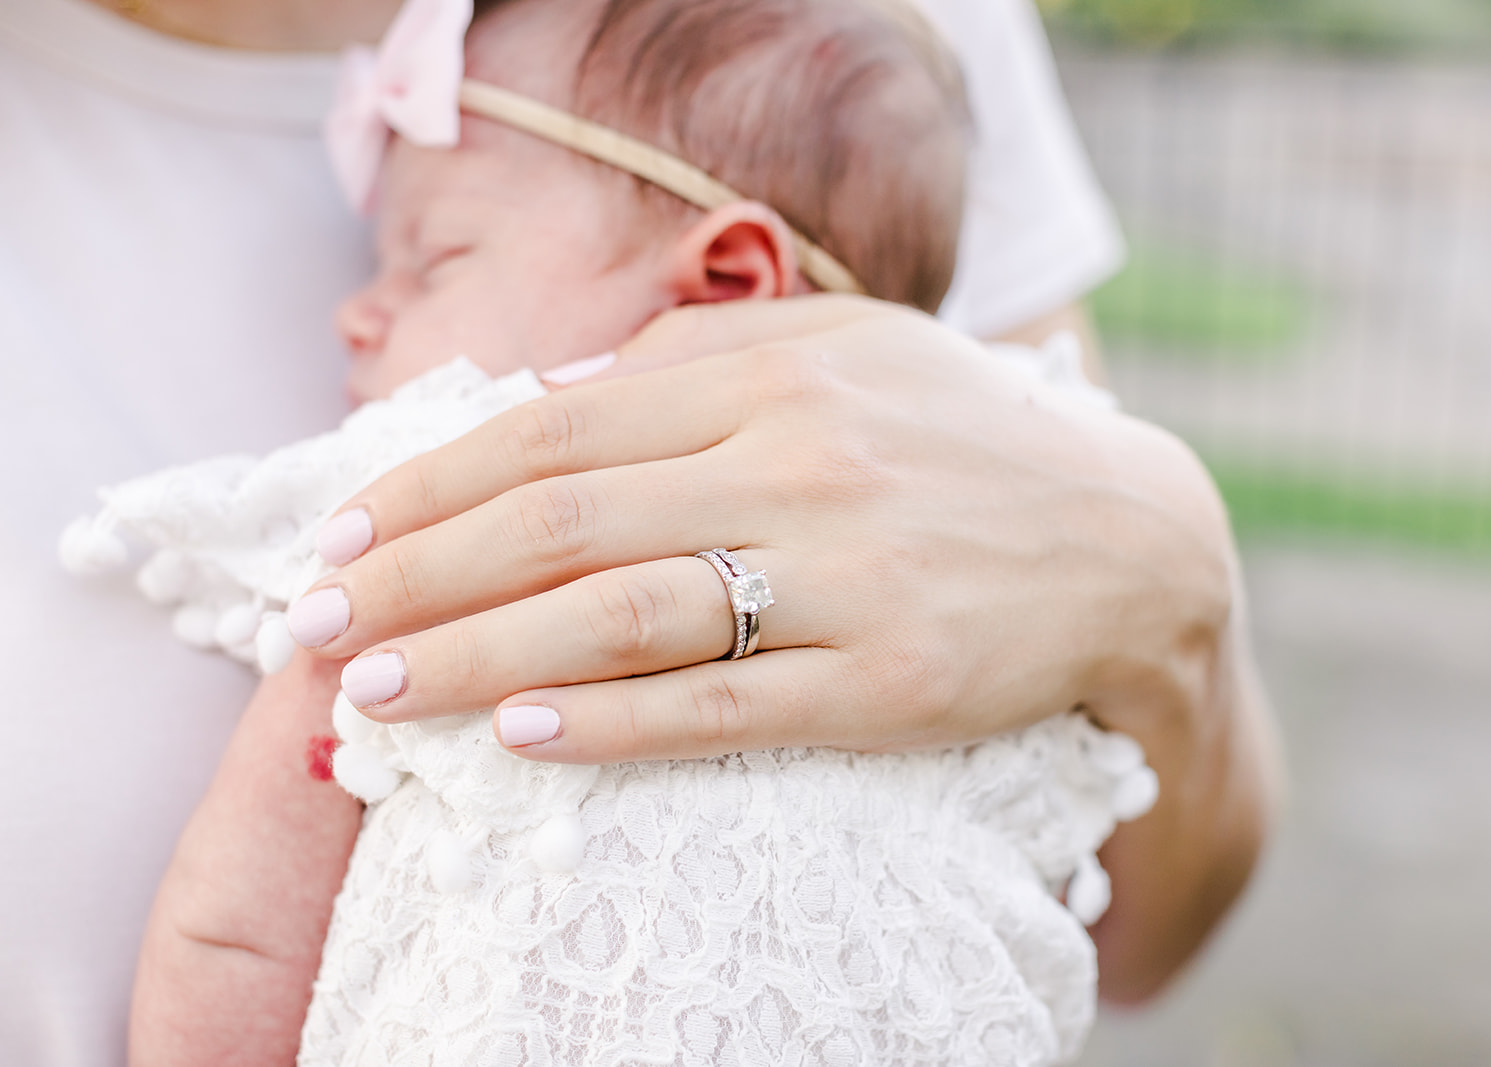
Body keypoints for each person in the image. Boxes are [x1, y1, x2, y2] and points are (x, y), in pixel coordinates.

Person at [0, 0, 1276, 1064]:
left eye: (434, 258)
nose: (357, 309)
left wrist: (1167, 572)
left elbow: (237, 935)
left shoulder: (426, 504)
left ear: (726, 279)